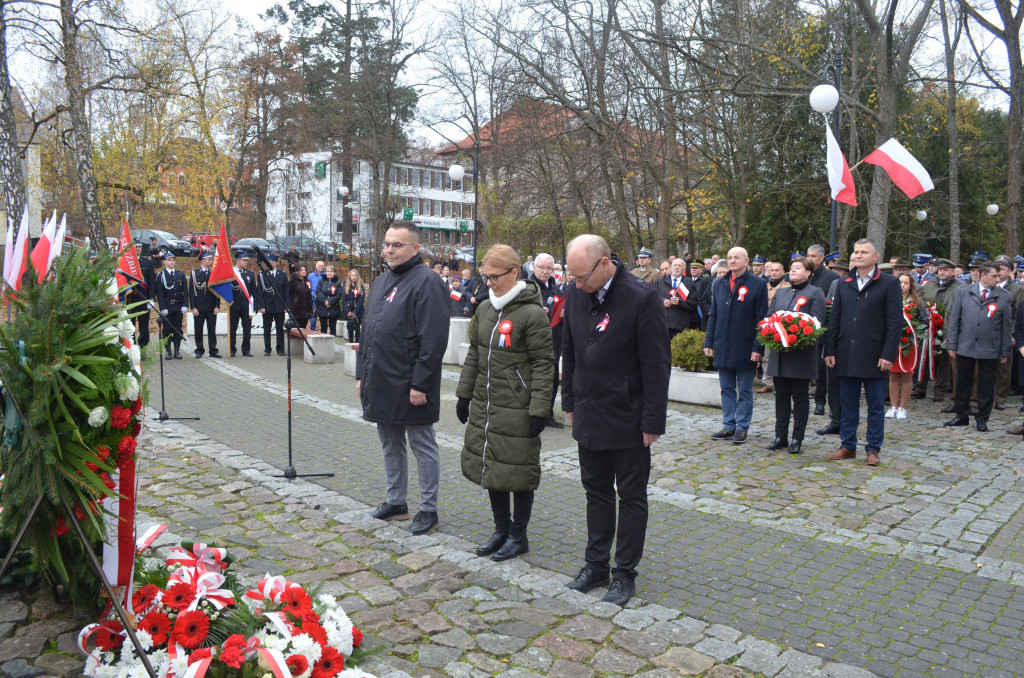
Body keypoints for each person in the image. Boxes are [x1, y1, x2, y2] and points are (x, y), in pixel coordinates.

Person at [561, 234, 670, 607]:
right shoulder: (576, 292)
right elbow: (570, 351)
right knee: (596, 493)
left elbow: (656, 365)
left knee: (631, 497)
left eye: (582, 276)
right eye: (572, 276)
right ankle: (595, 565)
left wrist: (652, 422)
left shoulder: (641, 297)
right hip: (588, 413)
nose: (577, 284)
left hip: (628, 416)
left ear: (605, 263)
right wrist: (570, 401)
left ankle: (624, 574)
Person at [455, 245, 554, 562]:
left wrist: (540, 407)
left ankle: (518, 535)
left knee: (519, 470)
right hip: (487, 404)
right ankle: (501, 530)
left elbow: (543, 364)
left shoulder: (532, 313)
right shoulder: (485, 309)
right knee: (493, 465)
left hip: (517, 407)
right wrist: (463, 393)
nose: (488, 283)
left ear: (514, 273)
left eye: (494, 277)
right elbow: (474, 354)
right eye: (485, 277)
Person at [357, 221, 450, 536]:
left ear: (415, 248)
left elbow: (433, 338)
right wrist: (361, 374)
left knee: (422, 445)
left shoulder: (428, 282)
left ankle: (428, 509)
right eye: (386, 244)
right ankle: (396, 502)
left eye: (397, 245)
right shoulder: (382, 280)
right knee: (389, 442)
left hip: (411, 382)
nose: (390, 250)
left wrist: (421, 383)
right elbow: (368, 331)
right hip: (381, 379)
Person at [824, 239, 902, 466]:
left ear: (876, 256)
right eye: (856, 252)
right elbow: (835, 318)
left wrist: (888, 354)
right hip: (846, 351)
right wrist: (830, 349)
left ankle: (873, 448)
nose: (857, 256)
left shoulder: (889, 283)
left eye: (863, 252)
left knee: (876, 405)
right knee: (847, 402)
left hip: (874, 353)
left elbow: (894, 322)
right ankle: (848, 444)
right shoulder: (844, 282)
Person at [703, 247, 768, 444]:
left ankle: (742, 427)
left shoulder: (757, 284)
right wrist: (709, 341)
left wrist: (758, 348)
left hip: (745, 345)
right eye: (729, 258)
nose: (732, 261)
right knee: (726, 388)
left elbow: (761, 318)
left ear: (746, 260)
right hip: (723, 344)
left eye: (736, 257)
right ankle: (728, 425)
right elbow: (713, 313)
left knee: (745, 390)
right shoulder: (720, 282)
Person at [765, 257, 826, 455]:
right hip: (780, 354)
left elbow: (817, 322)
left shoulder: (815, 292)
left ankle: (797, 438)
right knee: (781, 397)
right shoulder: (781, 292)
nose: (792, 270)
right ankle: (780, 436)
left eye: (798, 268)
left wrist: (797, 333)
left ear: (808, 272)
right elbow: (770, 317)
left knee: (800, 398)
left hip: (801, 355)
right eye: (791, 268)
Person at [944, 261, 1012, 432]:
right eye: (994, 276)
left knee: (986, 385)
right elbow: (955, 320)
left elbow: (1006, 326)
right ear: (983, 275)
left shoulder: (1003, 296)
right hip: (965, 345)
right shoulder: (964, 292)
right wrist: (951, 343)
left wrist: (1005, 350)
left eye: (999, 276)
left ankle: (982, 418)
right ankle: (961, 415)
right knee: (963, 382)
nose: (998, 279)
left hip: (990, 347)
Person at [917, 258, 962, 403]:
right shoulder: (929, 286)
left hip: (947, 326)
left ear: (953, 271)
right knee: (924, 357)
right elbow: (922, 302)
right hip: (928, 326)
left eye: (945, 270)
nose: (942, 272)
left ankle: (940, 390)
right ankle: (920, 387)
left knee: (944, 360)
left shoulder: (959, 288)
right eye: (940, 269)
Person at [815, 259, 850, 436]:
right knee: (833, 384)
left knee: (849, 387)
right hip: (835, 340)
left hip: (855, 342)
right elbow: (828, 310)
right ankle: (835, 420)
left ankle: (849, 423)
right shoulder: (836, 284)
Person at [531, 253, 566, 429]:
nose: (545, 271)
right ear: (533, 267)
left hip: (553, 342)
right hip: (532, 342)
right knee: (534, 378)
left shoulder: (556, 289)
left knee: (551, 379)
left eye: (549, 268)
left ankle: (547, 414)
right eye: (542, 267)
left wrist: (565, 313)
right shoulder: (526, 288)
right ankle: (531, 412)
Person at [806, 244, 839, 415]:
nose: (809, 259)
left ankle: (820, 401)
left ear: (821, 258)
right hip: (802, 329)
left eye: (813, 256)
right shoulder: (804, 275)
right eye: (808, 255)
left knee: (820, 369)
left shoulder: (831, 277)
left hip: (821, 330)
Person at [887, 274, 925, 420]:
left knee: (907, 375)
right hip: (893, 343)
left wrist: (913, 332)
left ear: (911, 285)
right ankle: (893, 407)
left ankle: (902, 408)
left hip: (909, 343)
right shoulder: (890, 300)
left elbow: (924, 322)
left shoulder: (917, 302)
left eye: (906, 283)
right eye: (900, 282)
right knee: (893, 374)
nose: (902, 285)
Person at [655, 258, 699, 342]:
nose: (677, 267)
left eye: (680, 265)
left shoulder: (689, 283)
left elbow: (694, 304)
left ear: (684, 269)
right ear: (671, 267)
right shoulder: (660, 281)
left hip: (680, 324)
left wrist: (680, 302)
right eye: (675, 265)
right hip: (662, 323)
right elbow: (652, 298)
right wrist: (662, 301)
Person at [188, 251, 221, 358]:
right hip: (199, 307)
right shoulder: (194, 273)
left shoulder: (214, 273)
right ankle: (199, 349)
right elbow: (192, 292)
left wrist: (217, 306)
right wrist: (193, 307)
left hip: (211, 307)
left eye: (211, 259)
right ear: (202, 261)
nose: (211, 261)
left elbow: (217, 292)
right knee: (198, 330)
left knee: (212, 330)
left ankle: (213, 350)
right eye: (208, 259)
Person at [155, 252, 186, 359]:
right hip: (167, 307)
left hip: (178, 306)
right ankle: (168, 350)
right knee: (167, 329)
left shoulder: (180, 274)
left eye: (173, 260)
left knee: (178, 328)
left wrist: (185, 304)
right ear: (164, 262)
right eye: (169, 260)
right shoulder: (161, 275)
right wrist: (162, 307)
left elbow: (185, 291)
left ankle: (177, 350)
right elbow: (159, 293)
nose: (171, 262)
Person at [126, 239, 155, 348]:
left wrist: (151, 298)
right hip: (130, 298)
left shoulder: (148, 262)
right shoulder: (127, 264)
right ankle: (131, 346)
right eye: (136, 247)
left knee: (143, 326)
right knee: (130, 325)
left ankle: (142, 347)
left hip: (143, 298)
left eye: (139, 247)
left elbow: (152, 282)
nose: (138, 249)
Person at [257, 254, 288, 356]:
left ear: (276, 263)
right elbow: (260, 291)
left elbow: (286, 291)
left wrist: (286, 306)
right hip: (267, 305)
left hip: (279, 305)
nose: (271, 264)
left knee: (280, 329)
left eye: (273, 262)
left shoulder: (282, 274)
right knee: (267, 329)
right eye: (269, 262)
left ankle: (280, 349)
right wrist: (261, 306)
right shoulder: (262, 274)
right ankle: (267, 349)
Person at [229, 251, 255, 357]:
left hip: (246, 306)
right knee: (232, 328)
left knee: (247, 329)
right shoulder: (231, 273)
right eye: (244, 260)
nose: (246, 263)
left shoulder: (249, 273)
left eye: (247, 261)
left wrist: (255, 304)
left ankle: (246, 349)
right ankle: (232, 349)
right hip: (234, 305)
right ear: (238, 260)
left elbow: (253, 290)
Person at [316, 265, 343, 337]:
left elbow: (339, 295)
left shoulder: (337, 283)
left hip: (333, 308)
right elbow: (318, 292)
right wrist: (325, 301)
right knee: (323, 329)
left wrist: (330, 301)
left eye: (331, 271)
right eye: (327, 271)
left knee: (333, 328)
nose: (329, 273)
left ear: (334, 273)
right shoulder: (321, 281)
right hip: (322, 307)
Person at [343, 268, 366, 342]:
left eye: (355, 275)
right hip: (348, 309)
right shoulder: (346, 284)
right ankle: (350, 342)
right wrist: (347, 311)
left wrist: (355, 312)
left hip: (357, 310)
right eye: (352, 275)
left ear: (357, 276)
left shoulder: (360, 285)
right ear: (349, 276)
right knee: (350, 328)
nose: (353, 277)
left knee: (357, 328)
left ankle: (357, 342)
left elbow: (361, 299)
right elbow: (343, 298)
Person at [288, 263, 313, 331]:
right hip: (296, 311)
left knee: (303, 329)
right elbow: (288, 294)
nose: (303, 271)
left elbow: (309, 294)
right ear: (297, 271)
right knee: (296, 330)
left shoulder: (307, 281)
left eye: (304, 270)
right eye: (301, 270)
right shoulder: (292, 281)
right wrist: (289, 307)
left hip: (306, 311)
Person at [308, 260, 326, 330]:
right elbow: (308, 287)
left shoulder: (326, 276)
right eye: (320, 266)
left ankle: (323, 332)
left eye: (322, 266)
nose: (321, 267)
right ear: (316, 267)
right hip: (314, 300)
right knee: (313, 317)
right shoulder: (310, 276)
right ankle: (312, 331)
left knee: (323, 317)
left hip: (323, 300)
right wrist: (313, 294)